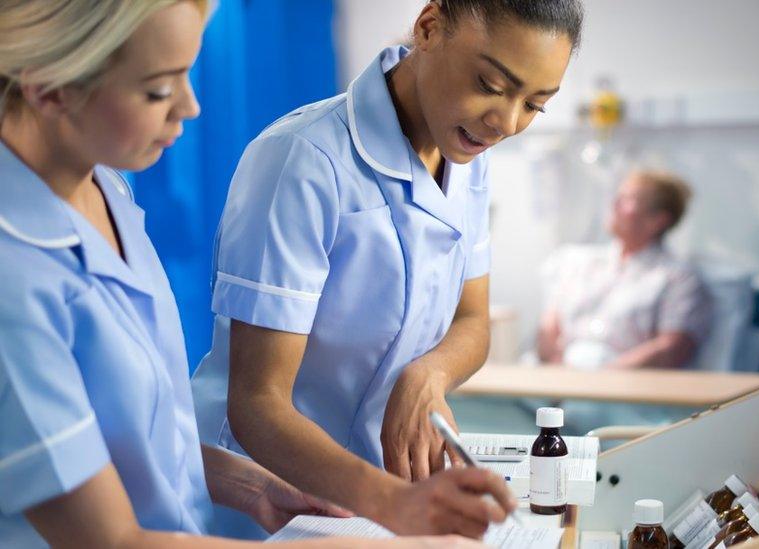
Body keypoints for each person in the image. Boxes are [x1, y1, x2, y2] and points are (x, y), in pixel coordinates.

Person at [0, 1, 482, 547]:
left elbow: (133, 439)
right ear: (49, 87)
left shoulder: (103, 188)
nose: (190, 106)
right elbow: (109, 540)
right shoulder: (13, 280)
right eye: (159, 89)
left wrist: (249, 486)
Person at [190, 0, 584, 539]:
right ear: (428, 27)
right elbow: (258, 404)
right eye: (491, 84)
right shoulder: (302, 159)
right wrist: (394, 502)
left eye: (535, 105)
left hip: (371, 500)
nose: (506, 122)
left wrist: (429, 374)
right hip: (265, 494)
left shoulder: (467, 153)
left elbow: (473, 323)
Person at [537, 170, 713, 371]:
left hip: (623, 386)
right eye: (617, 197)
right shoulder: (579, 263)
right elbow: (549, 325)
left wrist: (601, 379)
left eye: (628, 199)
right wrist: (556, 372)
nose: (614, 205)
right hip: (558, 378)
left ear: (658, 220)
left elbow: (672, 348)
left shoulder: (677, 277)